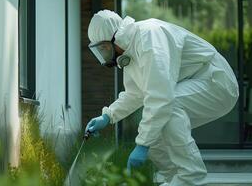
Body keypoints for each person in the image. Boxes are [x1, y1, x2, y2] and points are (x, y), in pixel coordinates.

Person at [85, 10, 239, 186]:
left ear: (116, 37)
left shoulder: (150, 38)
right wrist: (108, 116)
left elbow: (161, 97)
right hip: (195, 82)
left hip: (216, 81)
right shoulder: (129, 53)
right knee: (155, 130)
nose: (104, 55)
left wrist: (142, 145)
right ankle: (171, 178)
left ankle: (191, 176)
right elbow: (135, 94)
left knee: (167, 108)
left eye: (104, 48)